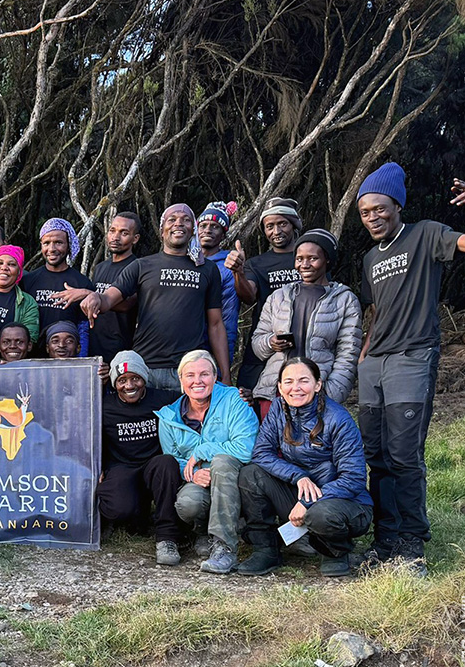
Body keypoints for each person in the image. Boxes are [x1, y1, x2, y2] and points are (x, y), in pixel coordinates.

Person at [356, 163, 465, 573]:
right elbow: (376, 310)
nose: (373, 217)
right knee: (375, 455)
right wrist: (364, 354)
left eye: (380, 208)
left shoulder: (425, 234)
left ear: (396, 206)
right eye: (365, 212)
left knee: (404, 454)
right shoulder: (368, 259)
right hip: (374, 363)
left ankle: (411, 543)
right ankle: (385, 539)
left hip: (412, 357)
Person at [237, 358, 373, 578]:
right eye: (288, 381)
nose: (295, 388)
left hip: (345, 501)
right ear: (280, 387)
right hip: (300, 490)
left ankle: (335, 552)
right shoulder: (278, 412)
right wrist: (299, 476)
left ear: (317, 385)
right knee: (251, 474)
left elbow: (354, 479)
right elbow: (261, 453)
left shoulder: (338, 419)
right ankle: (266, 549)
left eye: (303, 381)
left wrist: (308, 500)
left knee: (320, 514)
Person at [82, 204, 229, 390]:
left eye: (186, 220)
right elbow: (109, 299)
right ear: (162, 229)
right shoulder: (142, 266)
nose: (179, 224)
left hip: (190, 370)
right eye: (172, 219)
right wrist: (95, 297)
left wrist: (226, 375)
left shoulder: (208, 269)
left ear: (193, 229)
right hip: (146, 367)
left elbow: (216, 324)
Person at [156, 350, 257, 574]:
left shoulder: (234, 400)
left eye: (204, 374)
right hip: (199, 481)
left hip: (235, 479)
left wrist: (204, 451)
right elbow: (173, 459)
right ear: (180, 380)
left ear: (215, 376)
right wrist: (191, 473)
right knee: (188, 503)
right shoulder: (168, 416)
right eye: (190, 375)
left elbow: (247, 449)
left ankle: (224, 549)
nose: (197, 381)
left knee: (221, 462)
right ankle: (203, 532)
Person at [251, 229, 361, 411]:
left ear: (327, 259)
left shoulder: (344, 300)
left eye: (312, 258)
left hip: (318, 393)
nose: (305, 264)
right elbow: (257, 345)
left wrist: (330, 393)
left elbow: (348, 354)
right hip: (276, 393)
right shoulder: (279, 297)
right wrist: (271, 342)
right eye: (299, 258)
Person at [98, 351, 182, 565]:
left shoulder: (165, 399)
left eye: (135, 378)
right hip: (122, 467)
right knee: (117, 508)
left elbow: (199, 400)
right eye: (122, 380)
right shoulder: (104, 406)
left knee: (167, 463)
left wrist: (237, 395)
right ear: (115, 383)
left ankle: (166, 537)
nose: (129, 385)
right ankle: (137, 515)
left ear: (144, 377)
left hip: (154, 469)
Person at [235, 199, 303, 397]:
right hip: (265, 342)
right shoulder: (258, 264)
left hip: (304, 341)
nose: (276, 231)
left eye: (282, 224)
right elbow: (249, 296)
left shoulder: (308, 256)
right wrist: (238, 272)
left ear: (293, 225)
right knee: (252, 395)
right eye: (269, 226)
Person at [22, 219, 93, 353]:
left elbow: (84, 329)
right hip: (32, 357)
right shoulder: (28, 280)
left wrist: (81, 360)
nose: (52, 249)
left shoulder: (82, 284)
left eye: (58, 243)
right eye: (46, 243)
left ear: (68, 245)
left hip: (65, 358)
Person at [88, 212, 141, 364]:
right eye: (112, 231)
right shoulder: (100, 268)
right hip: (96, 346)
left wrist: (87, 294)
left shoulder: (138, 267)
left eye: (124, 233)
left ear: (135, 239)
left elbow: (127, 305)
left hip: (122, 349)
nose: (115, 237)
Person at [196, 202, 241, 367]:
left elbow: (229, 312)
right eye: (203, 226)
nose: (207, 230)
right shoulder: (185, 261)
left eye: (214, 226)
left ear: (223, 234)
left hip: (217, 342)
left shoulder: (229, 265)